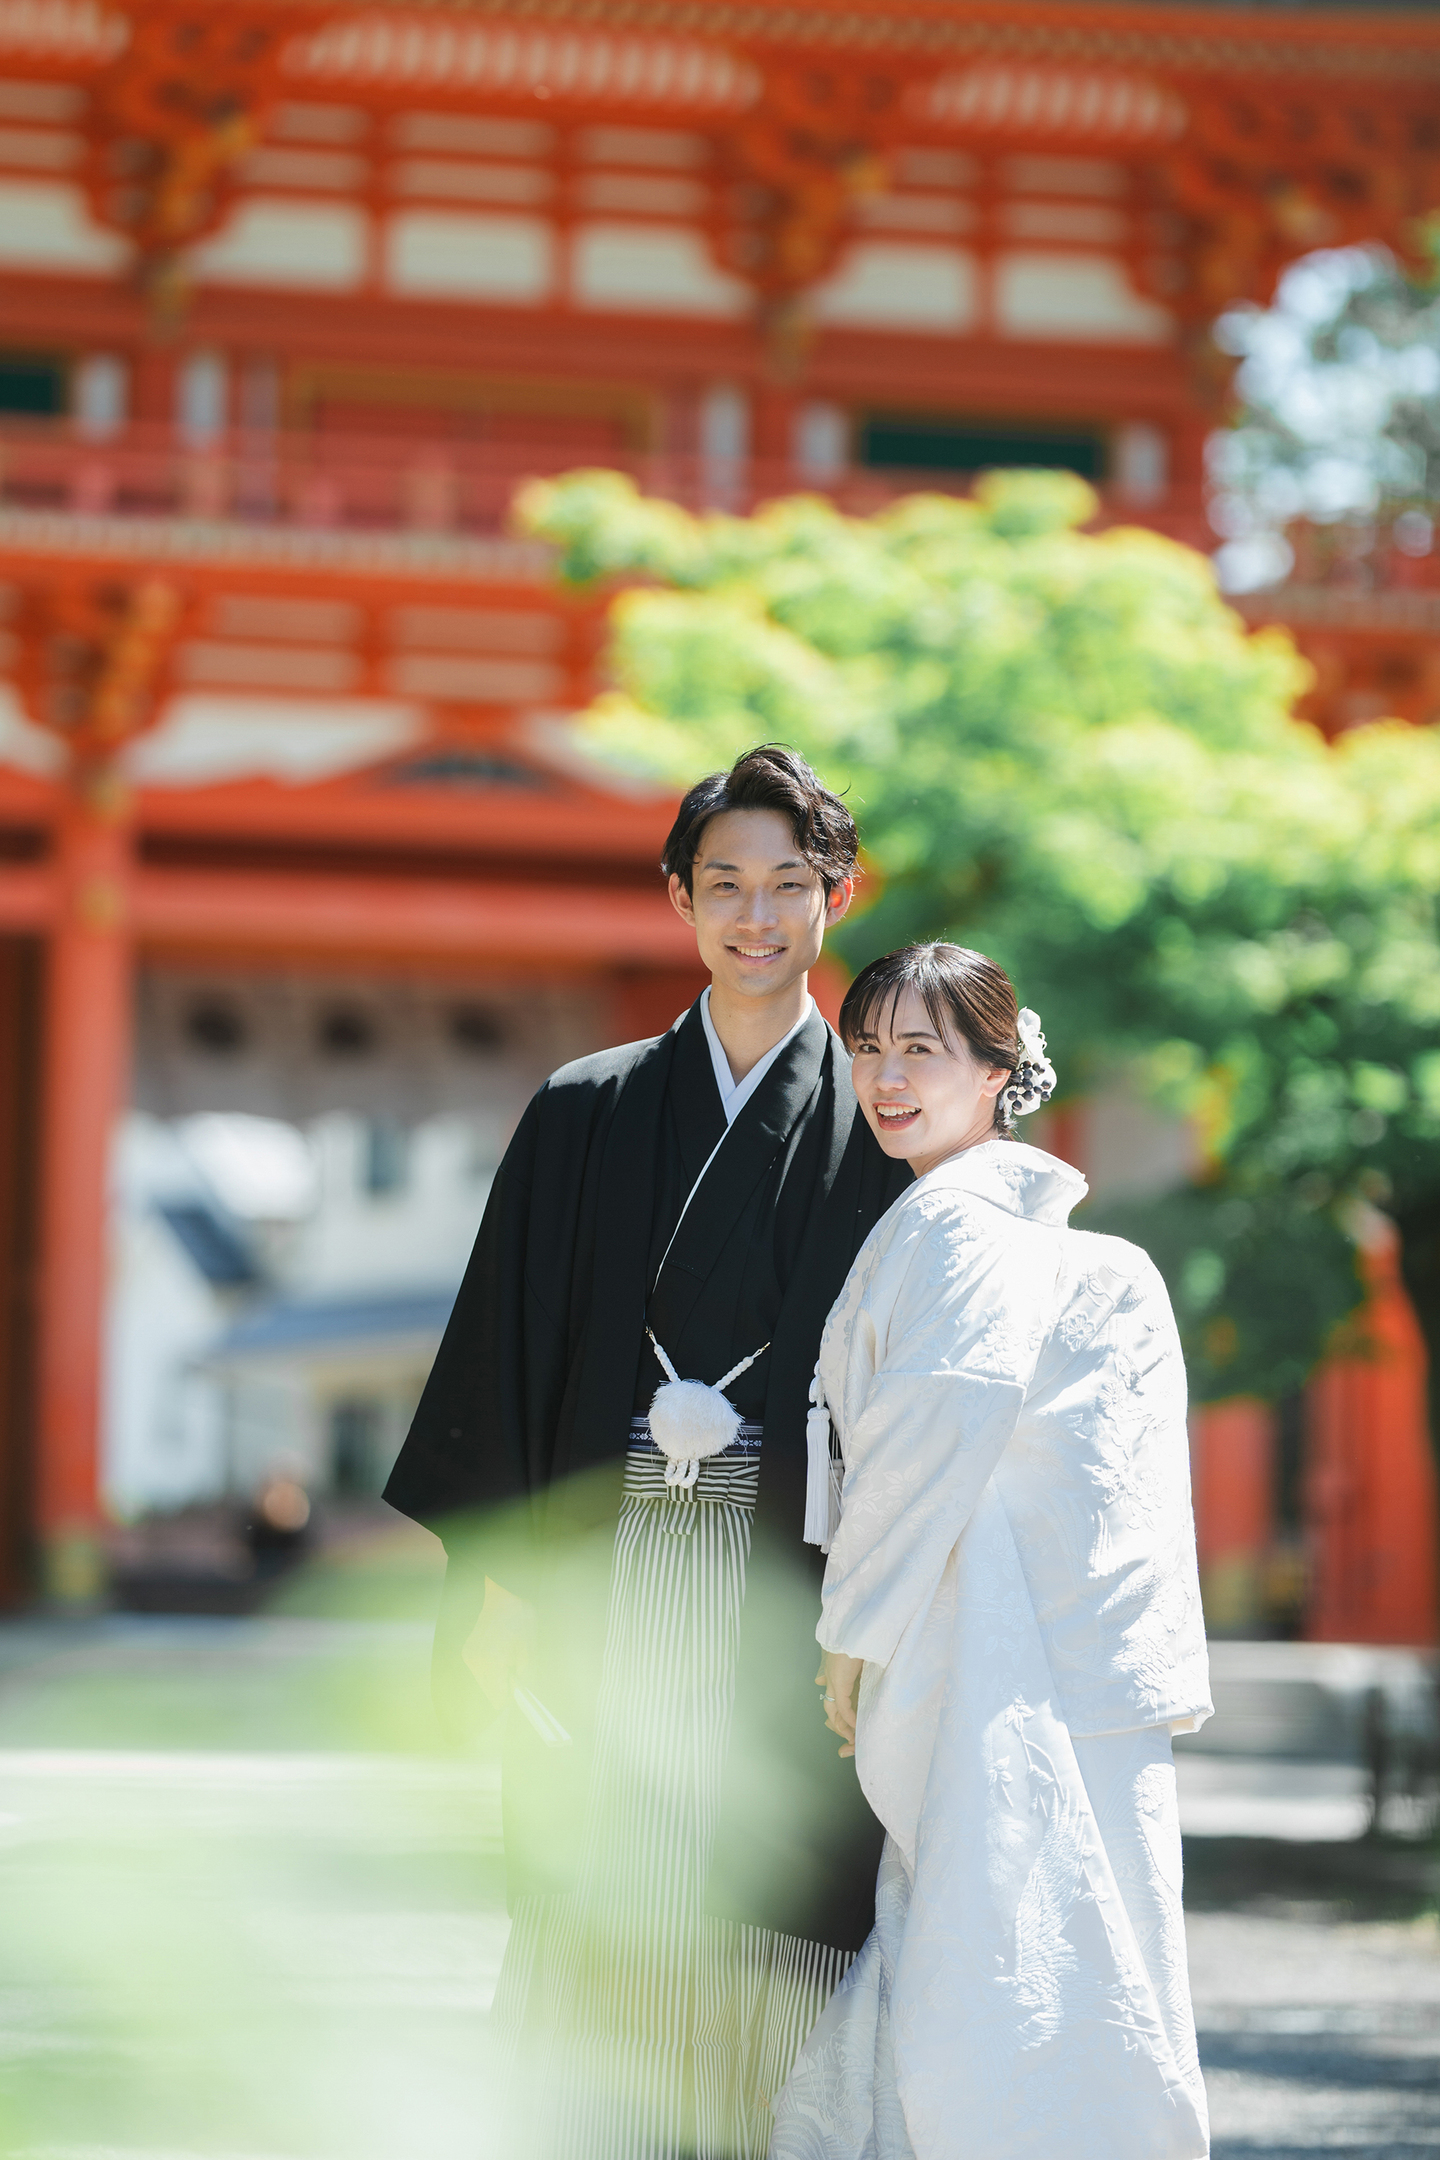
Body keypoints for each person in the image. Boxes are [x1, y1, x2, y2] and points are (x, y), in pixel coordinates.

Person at [381, 746, 909, 2158]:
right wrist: (493, 1582)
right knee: (603, 1873)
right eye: (724, 884)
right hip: (600, 1561)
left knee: (779, 1892)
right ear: (678, 898)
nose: (756, 917)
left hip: (801, 1575)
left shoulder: (888, 1120)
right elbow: (503, 1353)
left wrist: (893, 1609)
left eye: (788, 886)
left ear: (836, 899)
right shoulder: (585, 1108)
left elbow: (923, 1393)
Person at [770, 942, 1212, 2160]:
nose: (886, 1077)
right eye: (867, 1049)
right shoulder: (1012, 1226)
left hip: (982, 1635)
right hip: (1039, 1638)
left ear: (998, 1067)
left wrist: (850, 1639)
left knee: (988, 1936)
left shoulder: (962, 1227)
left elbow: (926, 1434)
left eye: (923, 1049)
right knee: (1052, 1931)